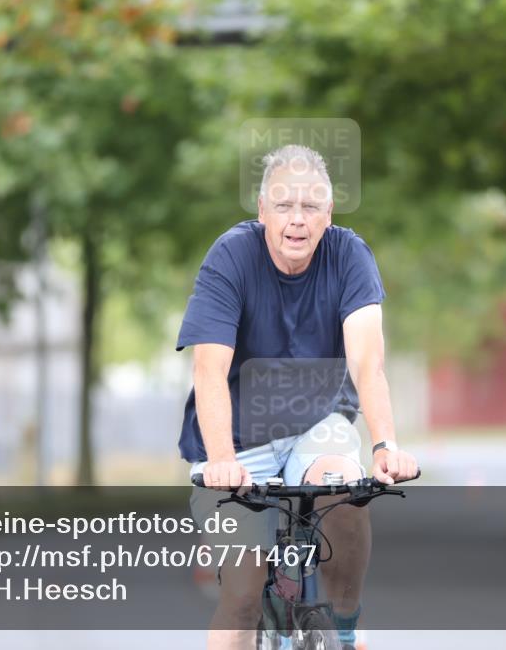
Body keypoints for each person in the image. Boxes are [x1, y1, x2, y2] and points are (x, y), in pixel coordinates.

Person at [177, 144, 418, 650]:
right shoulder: (231, 256)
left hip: (319, 422)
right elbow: (209, 367)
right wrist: (222, 459)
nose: (297, 220)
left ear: (328, 215)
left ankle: (345, 626)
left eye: (311, 206)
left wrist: (384, 447)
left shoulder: (349, 254)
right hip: (238, 438)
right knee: (241, 598)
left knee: (343, 491)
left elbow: (367, 362)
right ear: (262, 210)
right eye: (284, 205)